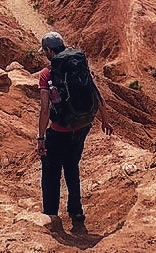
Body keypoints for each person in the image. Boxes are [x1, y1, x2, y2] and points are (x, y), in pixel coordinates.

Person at [37, 31, 113, 234]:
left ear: (49, 50)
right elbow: (95, 92)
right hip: (82, 126)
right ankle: (76, 210)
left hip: (59, 129)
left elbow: (45, 110)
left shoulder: (47, 74)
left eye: (45, 51)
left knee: (51, 171)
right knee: (71, 166)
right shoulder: (78, 65)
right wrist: (105, 119)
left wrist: (41, 137)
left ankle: (51, 215)